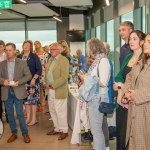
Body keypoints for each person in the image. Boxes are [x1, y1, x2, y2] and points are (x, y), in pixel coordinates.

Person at [114, 30, 146, 150]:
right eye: (130, 39)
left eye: (135, 39)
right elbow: (118, 77)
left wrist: (121, 87)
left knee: (133, 138)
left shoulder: (145, 58)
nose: (131, 41)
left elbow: (141, 83)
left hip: (135, 103)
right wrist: (119, 87)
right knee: (121, 135)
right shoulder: (128, 57)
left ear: (142, 42)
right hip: (122, 102)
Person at [79, 38, 111, 150]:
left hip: (98, 98)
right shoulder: (98, 61)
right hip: (95, 98)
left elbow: (103, 82)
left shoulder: (103, 61)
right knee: (96, 130)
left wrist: (86, 78)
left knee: (96, 130)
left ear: (92, 48)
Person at [120, 33, 150, 150]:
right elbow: (130, 77)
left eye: (149, 42)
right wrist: (126, 94)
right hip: (134, 111)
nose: (145, 44)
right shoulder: (142, 61)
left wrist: (135, 94)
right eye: (146, 41)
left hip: (146, 112)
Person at [0, 43, 32, 143]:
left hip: (18, 90)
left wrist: (19, 82)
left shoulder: (22, 62)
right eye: (6, 50)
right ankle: (14, 133)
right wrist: (2, 81)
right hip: (6, 91)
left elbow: (28, 76)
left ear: (14, 51)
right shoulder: (2, 64)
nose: (8, 52)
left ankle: (25, 133)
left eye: (10, 50)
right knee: (9, 114)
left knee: (20, 114)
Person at [45, 42, 69, 140]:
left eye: (54, 49)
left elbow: (64, 77)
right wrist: (45, 83)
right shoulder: (50, 59)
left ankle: (64, 131)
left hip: (58, 89)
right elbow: (47, 73)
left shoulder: (64, 60)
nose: (51, 51)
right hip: (49, 89)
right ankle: (57, 128)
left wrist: (52, 85)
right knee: (52, 110)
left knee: (60, 111)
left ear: (59, 50)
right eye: (50, 50)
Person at [18, 40, 42, 126]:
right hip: (23, 83)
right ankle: (28, 118)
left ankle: (34, 119)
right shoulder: (19, 56)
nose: (26, 46)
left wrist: (34, 78)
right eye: (24, 45)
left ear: (30, 47)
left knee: (33, 101)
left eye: (28, 45)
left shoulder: (34, 56)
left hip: (33, 82)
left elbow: (39, 69)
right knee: (26, 102)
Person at [34, 41, 48, 112]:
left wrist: (46, 72)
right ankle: (37, 104)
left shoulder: (45, 53)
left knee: (42, 88)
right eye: (35, 44)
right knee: (37, 89)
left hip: (43, 72)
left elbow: (47, 64)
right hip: (36, 72)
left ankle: (42, 103)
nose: (36, 45)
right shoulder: (34, 54)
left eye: (37, 43)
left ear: (40, 44)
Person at [0, 40, 7, 121]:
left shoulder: (6, 56)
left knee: (6, 99)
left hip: (5, 80)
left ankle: (8, 116)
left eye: (1, 46)